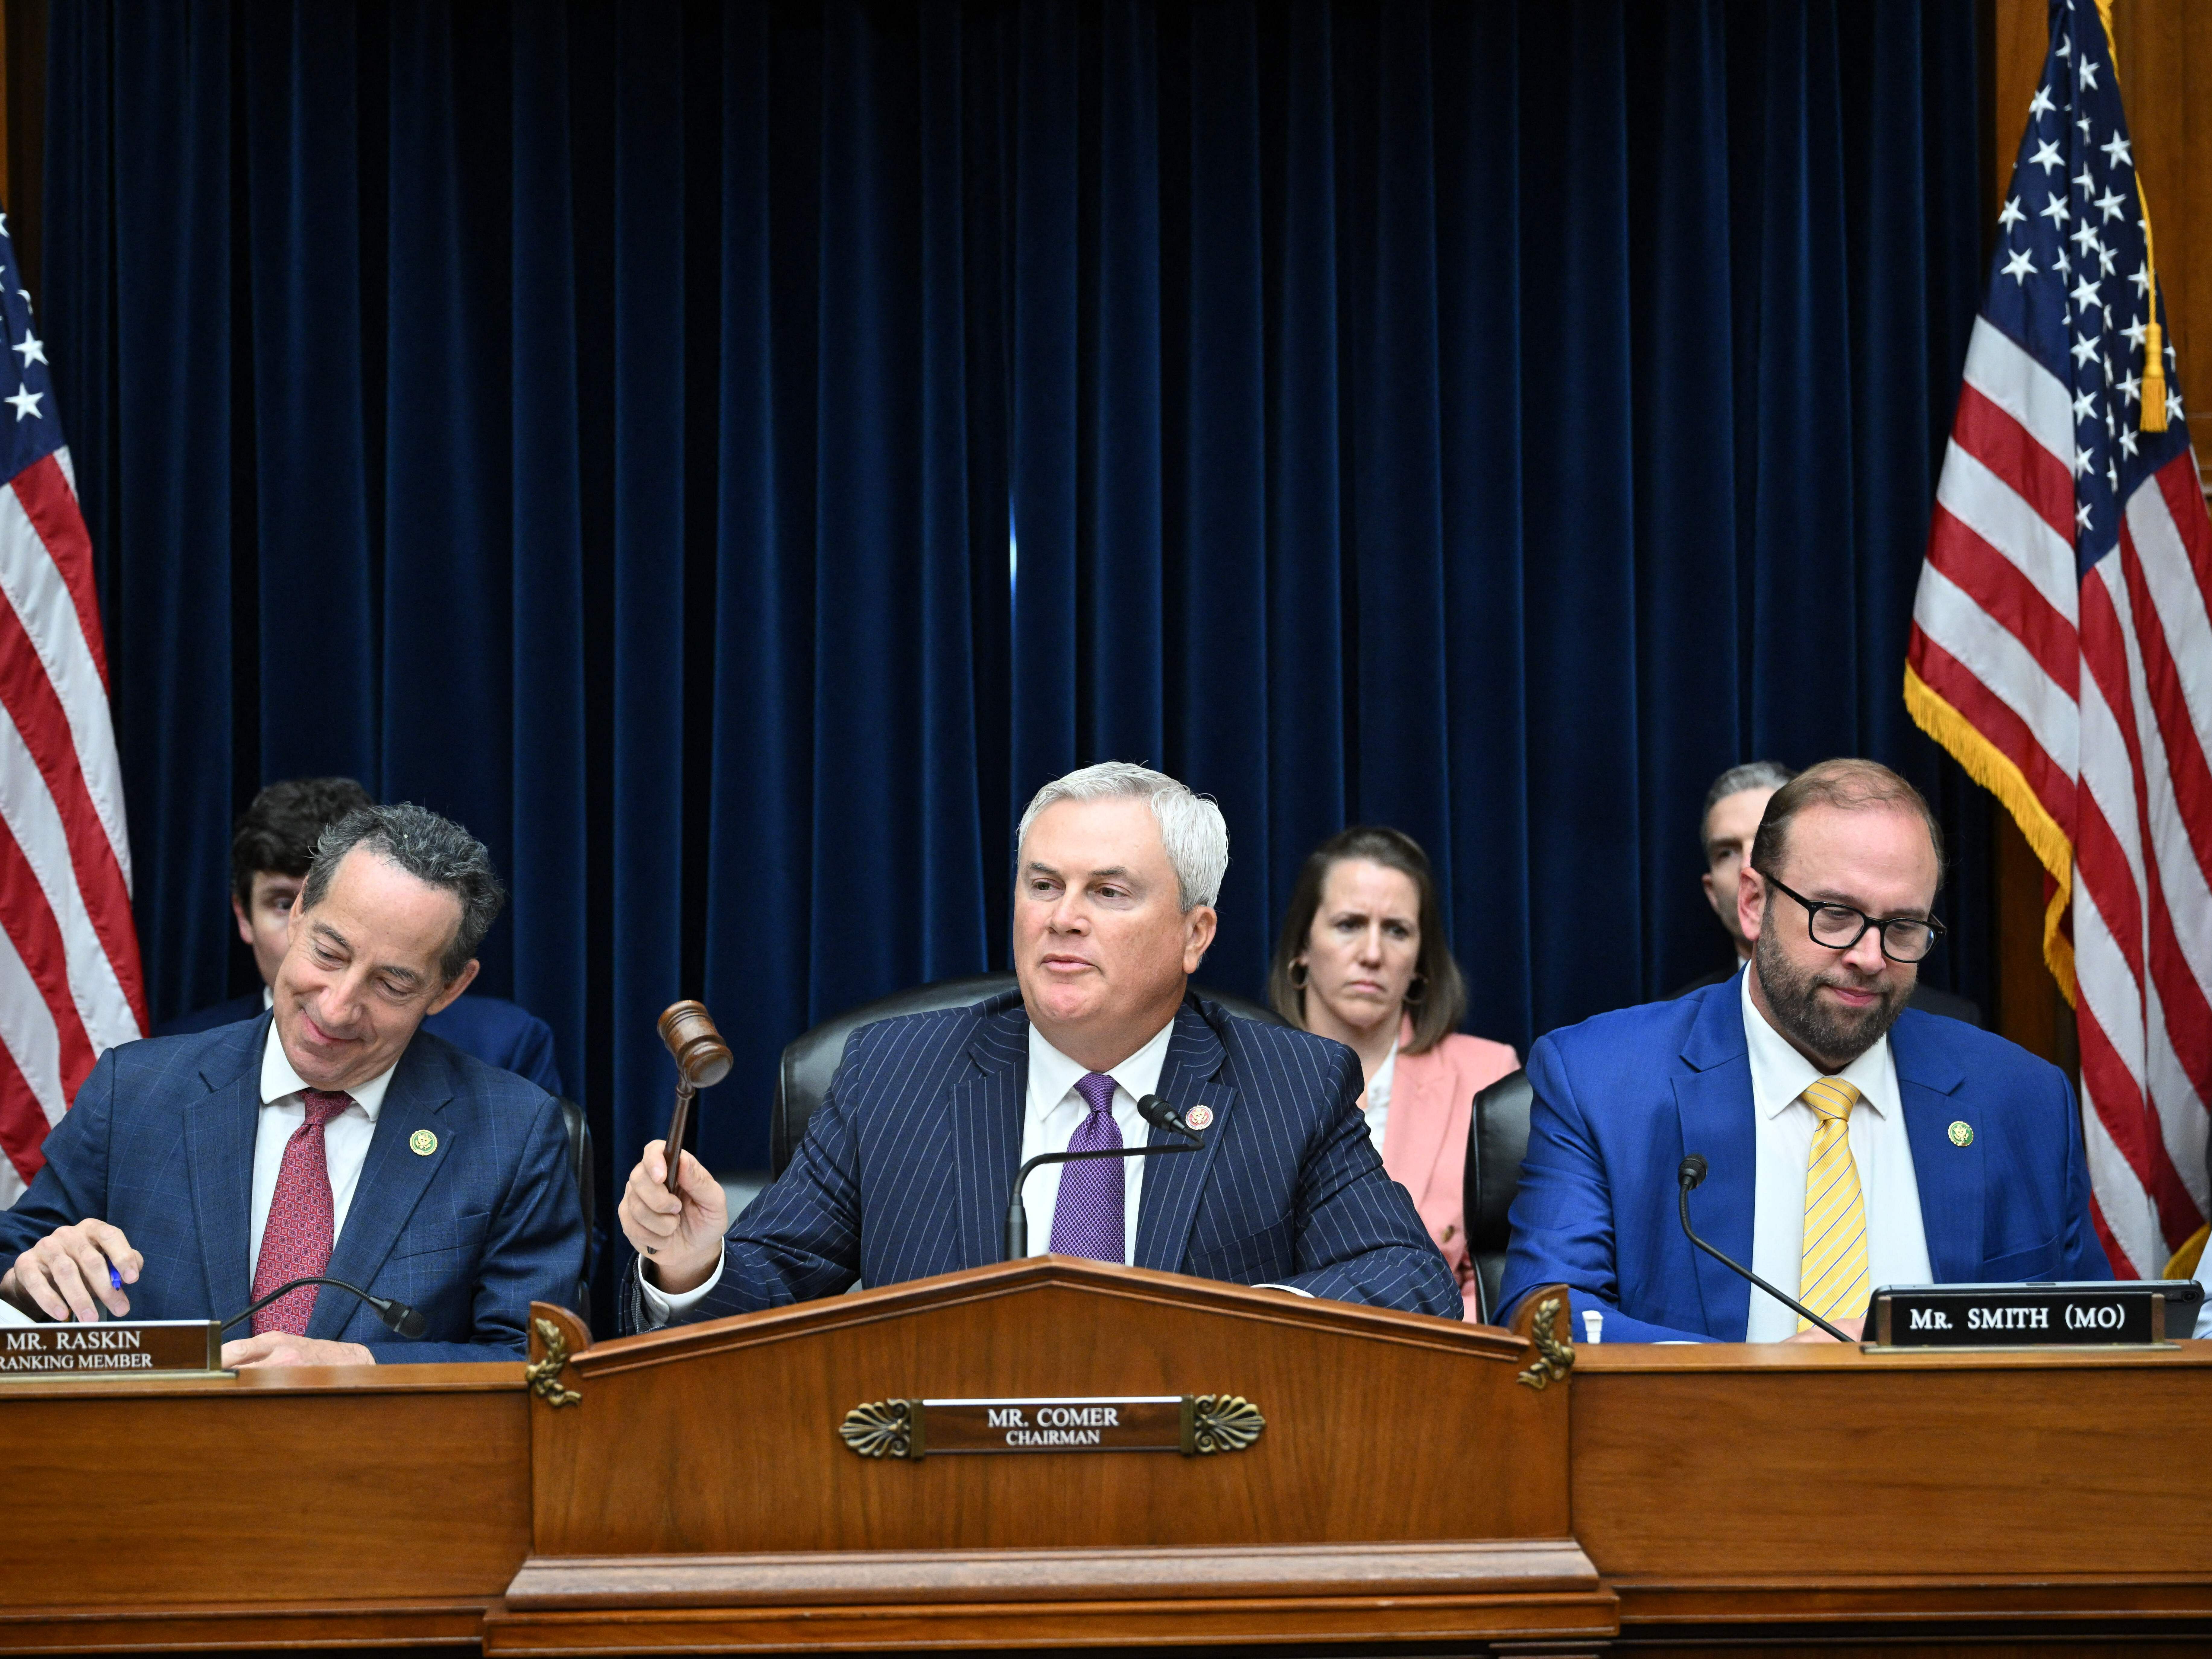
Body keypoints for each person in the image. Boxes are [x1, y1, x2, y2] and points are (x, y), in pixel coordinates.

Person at [619, 762, 1462, 1326]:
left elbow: (1406, 1278)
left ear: (1194, 933)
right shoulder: (894, 1077)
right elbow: (769, 1285)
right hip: (939, 1512)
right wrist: (692, 1265)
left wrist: (1232, 1332)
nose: (1063, 916)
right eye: (1043, 884)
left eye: (1109, 891)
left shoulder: (1290, 1084)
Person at [1501, 758, 2107, 1344]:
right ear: (1754, 903)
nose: (1870, 958)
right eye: (1836, 915)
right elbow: (1547, 1318)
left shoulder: (2022, 1100)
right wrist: (1761, 1383)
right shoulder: (1602, 1081)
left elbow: (2098, 1343)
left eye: (1902, 927)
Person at [0, 805, 586, 1365]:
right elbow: (14, 1256)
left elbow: (536, 1360)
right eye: (329, 953)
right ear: (299, 912)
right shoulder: (135, 1090)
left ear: (449, 989)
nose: (337, 1008)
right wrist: (27, 1279)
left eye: (392, 985)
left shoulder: (515, 1134)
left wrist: (360, 1364)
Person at [159, 777, 565, 1094]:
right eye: (283, 904)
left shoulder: (501, 1050)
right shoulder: (168, 1058)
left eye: (392, 983)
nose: (337, 1007)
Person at [1268, 826, 1516, 1320]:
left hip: (1436, 1357)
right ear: (1301, 944)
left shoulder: (1488, 1074)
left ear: (1421, 962)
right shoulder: (1235, 1070)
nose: (1373, 953)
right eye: (1349, 924)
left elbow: (1496, 1287)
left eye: (1397, 930)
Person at [1672, 760, 1981, 1025]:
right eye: (1727, 852)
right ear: (1752, 900)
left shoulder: (1954, 1028)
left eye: (1764, 841)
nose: (1750, 862)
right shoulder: (1662, 1035)